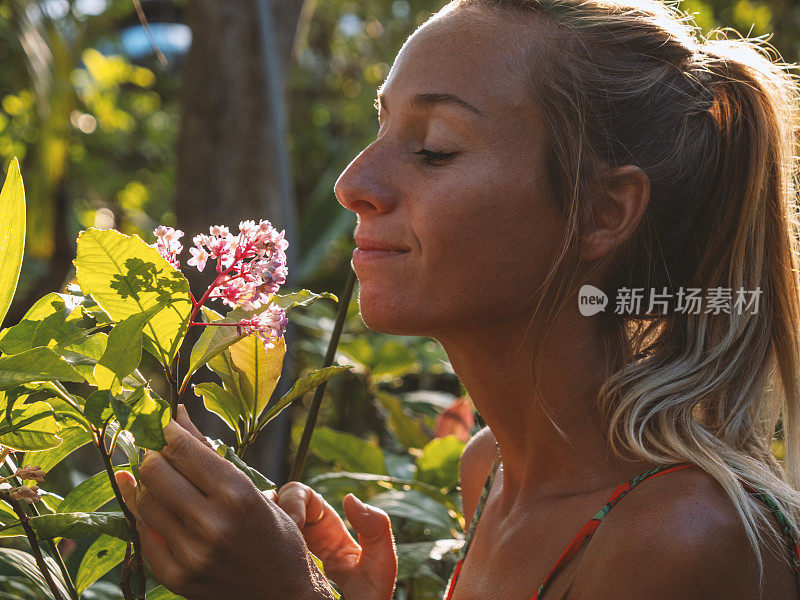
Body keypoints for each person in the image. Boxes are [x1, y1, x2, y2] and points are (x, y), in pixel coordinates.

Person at [115, 0, 800, 598]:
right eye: (379, 128)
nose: (353, 183)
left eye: (435, 149)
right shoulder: (491, 473)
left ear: (601, 211)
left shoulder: (681, 537)